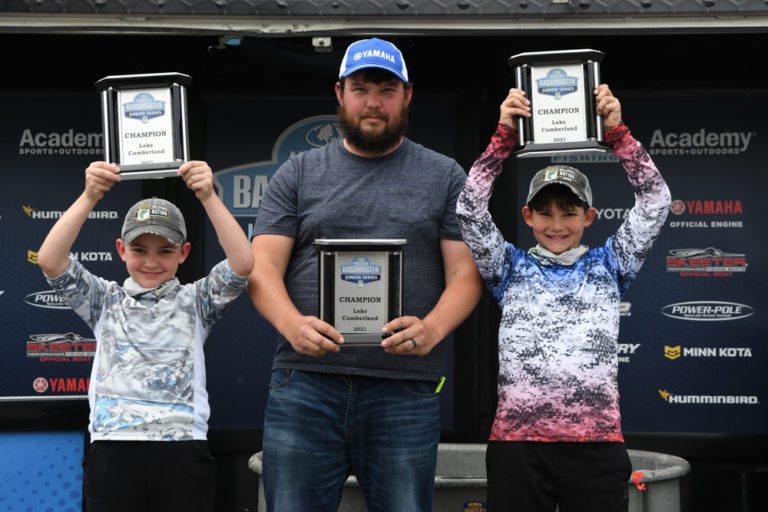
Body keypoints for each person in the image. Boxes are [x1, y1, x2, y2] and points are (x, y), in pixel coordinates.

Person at [248, 37, 483, 511]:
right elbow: (261, 270)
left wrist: (432, 328)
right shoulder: (297, 173)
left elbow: (466, 275)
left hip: (404, 387)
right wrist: (294, 326)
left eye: (386, 89)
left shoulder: (446, 175)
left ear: (408, 95)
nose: (373, 102)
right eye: (361, 88)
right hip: (306, 384)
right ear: (340, 94)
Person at [456, 85, 671, 512]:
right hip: (517, 447)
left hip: (597, 446)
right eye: (546, 212)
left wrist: (618, 135)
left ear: (589, 217)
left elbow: (655, 201)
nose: (557, 224)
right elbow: (469, 210)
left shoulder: (611, 265)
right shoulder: (509, 267)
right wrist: (502, 138)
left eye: (569, 212)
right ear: (528, 216)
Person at [37, 160, 254, 512]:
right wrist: (90, 195)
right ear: (121, 250)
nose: (151, 262)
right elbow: (50, 260)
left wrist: (208, 197)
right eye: (140, 250)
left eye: (165, 251)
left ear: (183, 253)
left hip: (183, 446)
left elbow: (243, 263)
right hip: (112, 446)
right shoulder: (104, 299)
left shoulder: (196, 300)